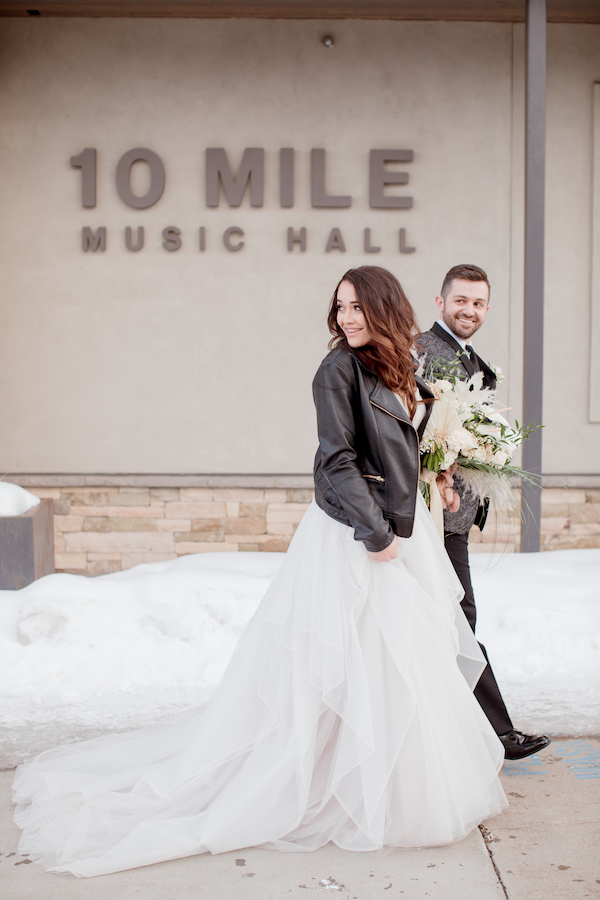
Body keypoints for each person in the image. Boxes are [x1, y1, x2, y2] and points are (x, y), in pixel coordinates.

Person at [13, 266, 507, 878]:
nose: (347, 318)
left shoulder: (398, 366)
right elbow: (337, 459)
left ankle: (377, 781)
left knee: (391, 661)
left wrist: (435, 478)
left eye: (357, 307)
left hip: (401, 528)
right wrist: (374, 534)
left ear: (383, 308)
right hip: (356, 534)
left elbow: (404, 440)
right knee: (343, 661)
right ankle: (323, 782)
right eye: (341, 308)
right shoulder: (337, 370)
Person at [417, 263, 551, 761]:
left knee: (448, 618)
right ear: (440, 301)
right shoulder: (422, 352)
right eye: (460, 301)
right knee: (458, 617)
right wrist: (443, 472)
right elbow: (418, 426)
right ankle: (496, 734)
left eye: (477, 303)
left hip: (452, 516)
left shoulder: (471, 358)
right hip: (432, 514)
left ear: (487, 308)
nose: (468, 310)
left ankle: (467, 732)